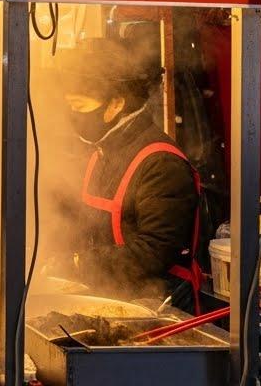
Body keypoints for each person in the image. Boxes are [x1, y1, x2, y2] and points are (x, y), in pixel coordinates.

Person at [56, 37, 202, 306]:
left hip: (154, 305)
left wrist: (80, 263)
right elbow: (83, 220)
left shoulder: (161, 163)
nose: (73, 116)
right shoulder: (103, 150)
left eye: (79, 107)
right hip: (106, 295)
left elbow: (155, 249)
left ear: (116, 104)